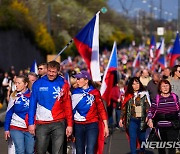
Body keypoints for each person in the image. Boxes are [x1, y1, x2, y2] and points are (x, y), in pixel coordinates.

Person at [28, 60, 73, 154]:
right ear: (46, 70)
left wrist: (69, 125)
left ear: (58, 72)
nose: (51, 74)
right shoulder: (38, 83)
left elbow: (67, 106)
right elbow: (32, 105)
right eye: (49, 71)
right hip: (42, 123)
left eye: (54, 72)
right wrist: (31, 123)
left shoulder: (63, 84)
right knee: (40, 151)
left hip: (58, 123)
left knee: (58, 152)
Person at [71, 70, 109, 154]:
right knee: (79, 150)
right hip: (78, 125)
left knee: (90, 149)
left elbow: (101, 109)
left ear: (86, 80)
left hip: (92, 124)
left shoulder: (95, 92)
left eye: (79, 79)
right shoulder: (74, 93)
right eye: (77, 79)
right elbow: (71, 111)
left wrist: (106, 126)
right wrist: (70, 126)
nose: (77, 81)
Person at [147, 79, 180, 154]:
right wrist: (150, 119)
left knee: (172, 148)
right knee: (161, 148)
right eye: (163, 86)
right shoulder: (157, 98)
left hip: (173, 126)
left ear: (170, 87)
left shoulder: (174, 97)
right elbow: (151, 111)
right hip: (160, 127)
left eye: (167, 85)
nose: (165, 88)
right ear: (160, 88)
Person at [4, 75, 35, 154]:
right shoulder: (14, 96)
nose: (16, 85)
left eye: (19, 83)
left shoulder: (33, 95)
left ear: (25, 84)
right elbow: (9, 113)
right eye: (15, 83)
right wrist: (6, 129)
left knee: (30, 151)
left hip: (29, 128)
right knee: (20, 150)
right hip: (16, 126)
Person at [119, 77, 150, 154]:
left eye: (137, 83)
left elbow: (148, 107)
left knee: (142, 138)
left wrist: (149, 117)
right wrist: (121, 119)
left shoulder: (144, 94)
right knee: (132, 138)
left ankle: (142, 151)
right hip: (132, 120)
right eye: (133, 84)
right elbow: (124, 108)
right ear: (131, 85)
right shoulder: (128, 95)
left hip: (142, 120)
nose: (136, 85)